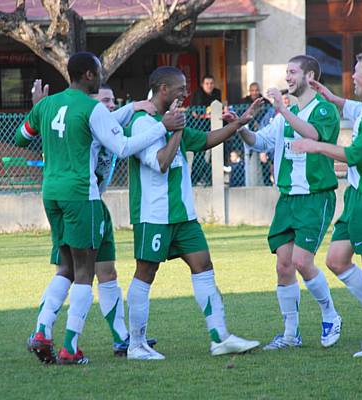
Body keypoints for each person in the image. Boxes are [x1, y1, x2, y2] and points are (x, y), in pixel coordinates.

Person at [16, 52, 185, 365]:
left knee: (68, 267)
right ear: (89, 76)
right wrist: (162, 126)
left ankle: (43, 331)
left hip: (52, 194)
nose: (103, 73)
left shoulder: (48, 105)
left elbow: (21, 137)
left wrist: (38, 109)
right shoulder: (92, 108)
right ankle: (70, 347)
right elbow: (122, 147)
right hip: (83, 197)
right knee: (84, 273)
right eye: (99, 70)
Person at [123, 66, 261, 360]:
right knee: (146, 272)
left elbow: (206, 140)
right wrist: (174, 129)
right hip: (154, 215)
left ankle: (220, 337)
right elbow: (161, 162)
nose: (185, 92)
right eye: (180, 87)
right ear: (163, 89)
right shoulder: (140, 124)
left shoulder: (174, 121)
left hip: (183, 214)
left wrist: (239, 125)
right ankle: (135, 344)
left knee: (203, 265)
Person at [293, 52, 362, 357]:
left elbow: (355, 155)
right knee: (337, 259)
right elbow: (358, 110)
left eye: (356, 71)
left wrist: (314, 145)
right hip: (356, 195)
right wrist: (332, 97)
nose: (352, 76)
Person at [233, 55, 342, 350]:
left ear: (309, 76)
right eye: (286, 72)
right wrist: (239, 126)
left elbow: (314, 136)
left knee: (301, 261)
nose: (288, 77)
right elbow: (260, 141)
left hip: (314, 197)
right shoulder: (284, 113)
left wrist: (283, 109)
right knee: (284, 266)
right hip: (288, 199)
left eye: (292, 72)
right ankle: (291, 334)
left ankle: (331, 315)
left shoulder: (324, 109)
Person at [189, 75, 222, 186]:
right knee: (199, 155)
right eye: (207, 83)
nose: (209, 86)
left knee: (215, 156)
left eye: (211, 83)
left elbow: (220, 109)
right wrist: (206, 115)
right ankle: (194, 179)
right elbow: (195, 113)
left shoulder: (217, 93)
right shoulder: (198, 94)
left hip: (214, 128)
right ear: (203, 84)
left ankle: (209, 179)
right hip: (199, 129)